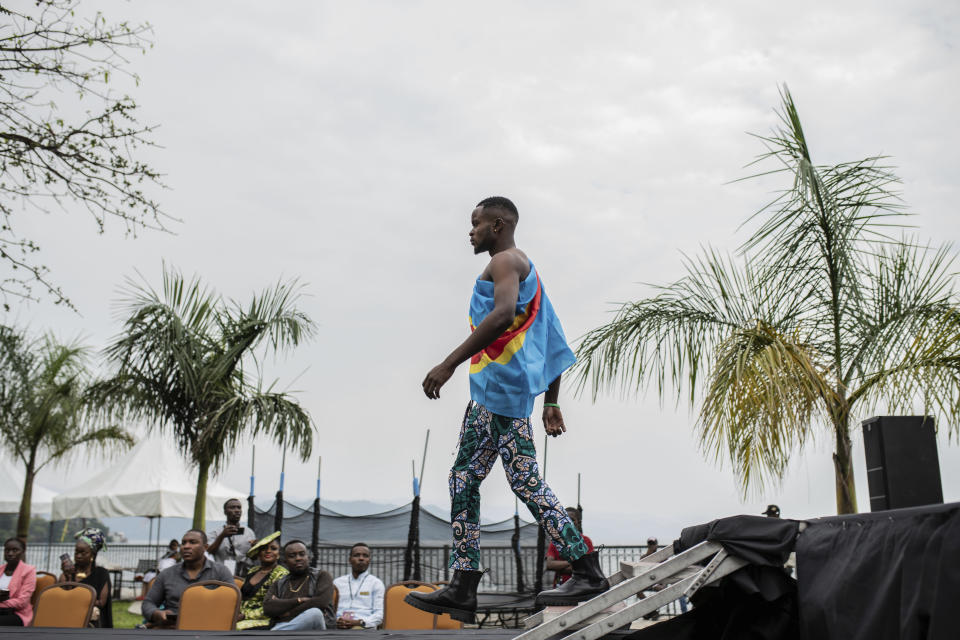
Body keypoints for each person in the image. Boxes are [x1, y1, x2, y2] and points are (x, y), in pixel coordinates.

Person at [408, 197, 609, 622]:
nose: (471, 231)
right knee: (477, 479)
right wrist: (551, 400)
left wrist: (448, 364)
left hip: (496, 396)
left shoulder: (504, 263)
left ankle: (581, 567)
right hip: (503, 395)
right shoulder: (527, 268)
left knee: (509, 482)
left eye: (476, 223)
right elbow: (554, 338)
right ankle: (466, 583)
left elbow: (501, 316)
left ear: (498, 225)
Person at [142, 529, 234, 628]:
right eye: (183, 543)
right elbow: (148, 603)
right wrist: (156, 614)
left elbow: (233, 603)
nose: (186, 546)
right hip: (173, 630)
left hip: (210, 630)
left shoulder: (221, 572)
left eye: (193, 542)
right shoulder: (166, 574)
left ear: (205, 547)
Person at [263, 540, 335, 630]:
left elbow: (321, 602)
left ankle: (275, 635)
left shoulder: (322, 576)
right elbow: (268, 607)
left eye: (302, 554)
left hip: (316, 631)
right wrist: (299, 600)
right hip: (285, 626)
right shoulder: (279, 583)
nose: (298, 558)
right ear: (285, 561)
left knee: (315, 613)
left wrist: (288, 612)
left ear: (308, 557)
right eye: (292, 556)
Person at [58, 527, 113, 628]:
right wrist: (68, 577)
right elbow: (61, 599)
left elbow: (101, 603)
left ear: (93, 554)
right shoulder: (67, 574)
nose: (78, 556)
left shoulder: (102, 574)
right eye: (76, 552)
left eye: (83, 553)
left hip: (93, 622)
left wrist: (78, 601)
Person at [237, 531, 288, 630]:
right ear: (259, 553)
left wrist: (244, 616)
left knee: (235, 628)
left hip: (266, 619)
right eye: (264, 548)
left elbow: (276, 606)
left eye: (273, 548)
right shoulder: (252, 570)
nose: (268, 551)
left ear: (278, 554)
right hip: (240, 616)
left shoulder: (281, 574)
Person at [333, 542, 384, 629]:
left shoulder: (376, 583)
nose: (361, 558)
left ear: (369, 560)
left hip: (364, 628)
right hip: (338, 626)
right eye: (357, 555)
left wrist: (359, 622)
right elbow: (329, 611)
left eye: (365, 556)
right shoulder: (337, 583)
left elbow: (379, 614)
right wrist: (336, 621)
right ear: (350, 560)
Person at [207, 498, 258, 576]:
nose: (237, 510)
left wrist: (255, 548)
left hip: (244, 575)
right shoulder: (216, 533)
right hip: (221, 575)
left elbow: (254, 558)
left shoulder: (249, 532)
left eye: (239, 507)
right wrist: (222, 536)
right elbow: (208, 552)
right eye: (232, 507)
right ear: (225, 512)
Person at [545, 508, 595, 587]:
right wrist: (572, 561)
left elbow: (588, 567)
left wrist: (559, 567)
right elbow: (549, 564)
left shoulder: (586, 541)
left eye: (572, 520)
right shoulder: (556, 542)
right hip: (560, 588)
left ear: (578, 522)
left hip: (581, 587)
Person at [0, 538, 34, 627]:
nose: (10, 554)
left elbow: (22, 602)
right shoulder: (0, 569)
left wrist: (1, 604)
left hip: (17, 614)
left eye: (15, 550)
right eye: (7, 550)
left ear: (23, 552)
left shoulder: (29, 571)